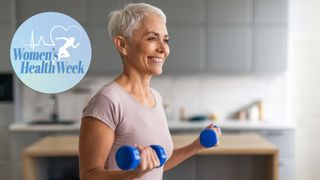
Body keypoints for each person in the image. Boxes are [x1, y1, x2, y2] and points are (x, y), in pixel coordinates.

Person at [79, 3, 221, 180]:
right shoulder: (107, 101)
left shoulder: (155, 97)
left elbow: (158, 165)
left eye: (166, 40)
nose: (163, 48)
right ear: (122, 44)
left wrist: (196, 146)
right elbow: (89, 175)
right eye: (152, 38)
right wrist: (133, 173)